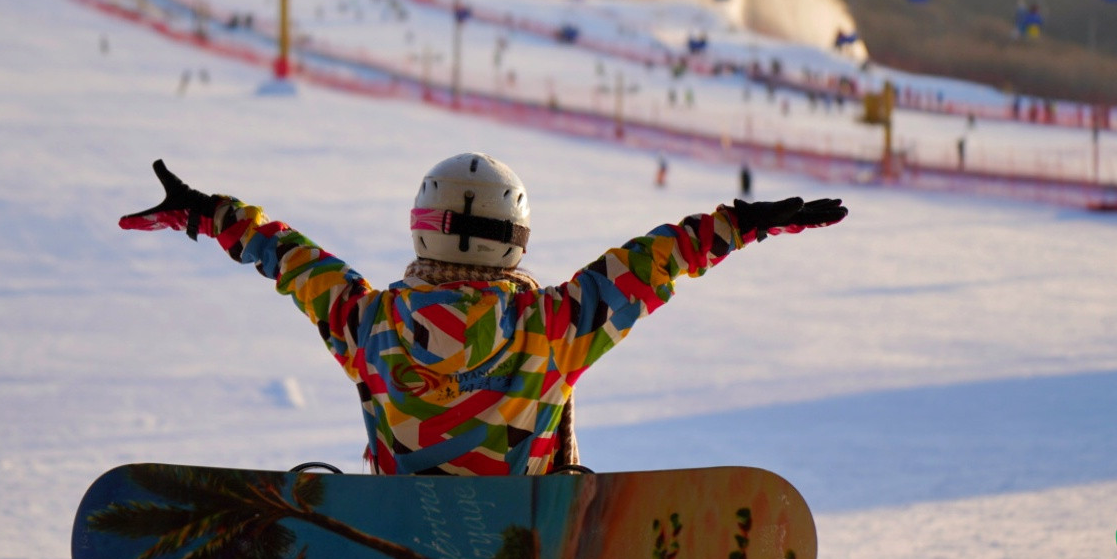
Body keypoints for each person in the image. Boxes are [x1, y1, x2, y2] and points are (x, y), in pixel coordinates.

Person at [120, 153, 846, 476]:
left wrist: (203, 212)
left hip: (395, 528)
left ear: (420, 226)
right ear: (518, 240)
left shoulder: (364, 321)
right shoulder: (562, 324)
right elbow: (656, 261)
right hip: (526, 541)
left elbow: (283, 254)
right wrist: (741, 222)